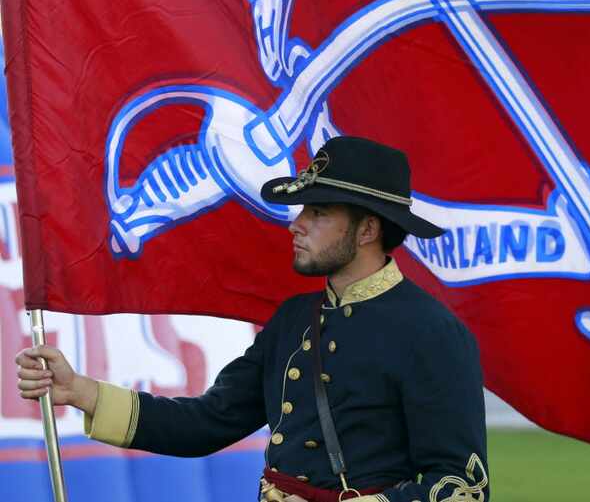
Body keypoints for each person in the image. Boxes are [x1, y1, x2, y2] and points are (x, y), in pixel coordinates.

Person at [16, 136, 489, 502]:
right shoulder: (292, 322)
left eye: (318, 212)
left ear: (368, 229)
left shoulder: (433, 335)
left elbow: (460, 486)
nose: (296, 223)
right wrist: (80, 391)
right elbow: (206, 421)